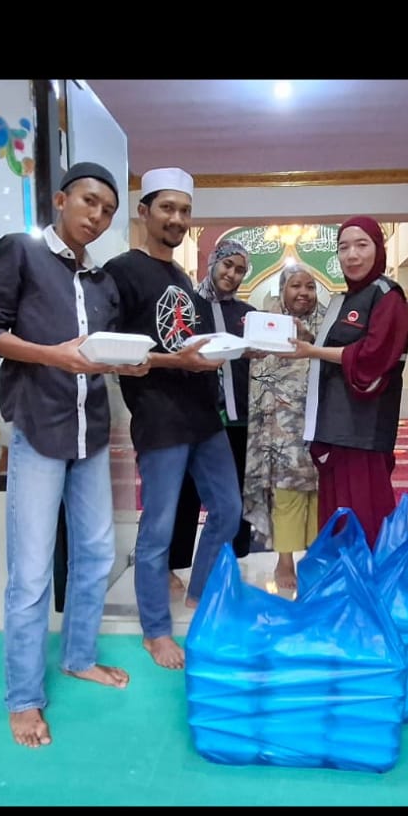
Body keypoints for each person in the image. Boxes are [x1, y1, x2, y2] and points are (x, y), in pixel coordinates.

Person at [0, 161, 148, 749]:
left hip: (89, 431)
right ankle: (23, 698)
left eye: (108, 210)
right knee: (30, 573)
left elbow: (99, 351)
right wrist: (55, 355)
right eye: (89, 201)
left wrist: (130, 362)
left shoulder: (102, 281)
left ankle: (78, 657)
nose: (97, 216)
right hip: (40, 428)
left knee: (96, 554)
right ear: (61, 200)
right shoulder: (20, 252)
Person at [104, 170, 241, 670]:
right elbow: (114, 354)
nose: (177, 219)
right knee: (158, 527)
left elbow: (187, 342)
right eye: (167, 208)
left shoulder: (183, 278)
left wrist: (224, 352)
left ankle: (200, 592)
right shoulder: (121, 271)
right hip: (159, 417)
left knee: (229, 509)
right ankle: (155, 631)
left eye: (184, 210)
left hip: (203, 414)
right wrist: (176, 361)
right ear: (144, 212)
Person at [290, 216, 408, 549]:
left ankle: (369, 581)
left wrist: (313, 351)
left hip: (363, 430)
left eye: (361, 245)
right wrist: (310, 340)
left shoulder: (387, 295)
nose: (352, 255)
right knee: (338, 518)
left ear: (378, 249)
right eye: (343, 247)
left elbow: (373, 357)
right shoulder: (344, 300)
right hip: (334, 427)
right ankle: (341, 579)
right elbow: (339, 349)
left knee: (364, 519)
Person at [168, 236, 254, 584]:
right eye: (227, 265)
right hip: (196, 418)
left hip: (239, 419)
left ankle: (230, 562)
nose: (231, 274)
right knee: (186, 494)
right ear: (213, 262)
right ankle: (174, 564)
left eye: (240, 270)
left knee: (235, 495)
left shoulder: (246, 314)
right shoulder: (188, 305)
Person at [243, 262, 322, 590]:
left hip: (320, 426)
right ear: (282, 289)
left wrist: (312, 341)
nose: (303, 293)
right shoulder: (265, 323)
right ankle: (285, 560)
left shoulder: (327, 324)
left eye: (310, 287)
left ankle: (315, 557)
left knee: (320, 494)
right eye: (295, 286)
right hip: (280, 429)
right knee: (287, 493)